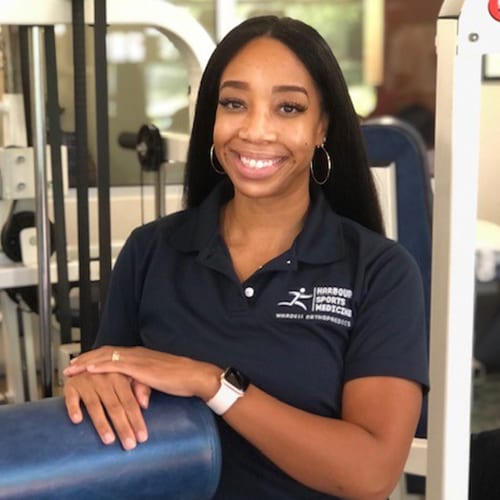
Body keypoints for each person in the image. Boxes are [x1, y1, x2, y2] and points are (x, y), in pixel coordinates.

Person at [64, 16, 429, 499]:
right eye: (234, 103)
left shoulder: (379, 271)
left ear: (322, 126)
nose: (256, 130)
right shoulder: (150, 251)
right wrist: (87, 384)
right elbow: (108, 398)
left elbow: (370, 474)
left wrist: (212, 383)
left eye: (288, 107)